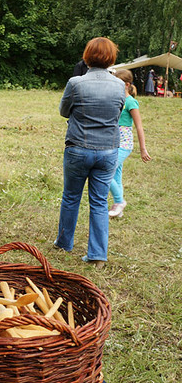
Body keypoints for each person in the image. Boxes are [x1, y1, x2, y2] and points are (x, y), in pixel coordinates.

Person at [55, 37, 126, 267]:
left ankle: (64, 243)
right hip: (108, 150)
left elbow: (64, 111)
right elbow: (117, 113)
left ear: (87, 56)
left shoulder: (75, 83)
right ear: (111, 57)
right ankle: (97, 255)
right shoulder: (119, 85)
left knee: (71, 197)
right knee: (98, 202)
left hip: (78, 148)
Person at [108, 69, 152, 218]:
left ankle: (119, 201)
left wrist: (143, 149)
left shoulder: (131, 102)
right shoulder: (116, 100)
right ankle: (119, 210)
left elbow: (139, 127)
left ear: (127, 85)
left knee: (105, 173)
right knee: (117, 176)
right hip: (113, 143)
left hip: (124, 145)